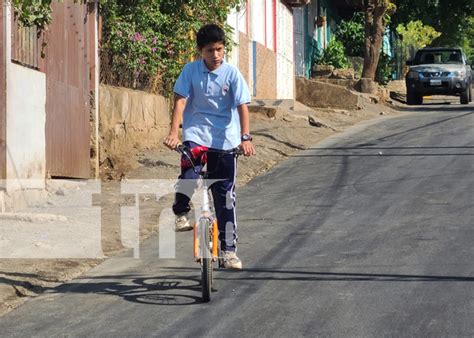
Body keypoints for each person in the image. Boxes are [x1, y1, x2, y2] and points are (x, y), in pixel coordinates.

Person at [164, 24, 255, 269]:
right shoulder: (190, 71)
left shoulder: (232, 74)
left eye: (219, 49)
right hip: (196, 134)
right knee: (188, 173)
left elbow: (242, 106)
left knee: (225, 197)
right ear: (200, 51)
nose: (215, 55)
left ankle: (228, 251)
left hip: (225, 140)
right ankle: (181, 212)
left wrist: (246, 138)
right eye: (209, 50)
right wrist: (174, 132)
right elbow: (180, 100)